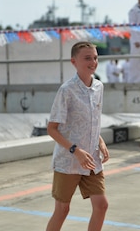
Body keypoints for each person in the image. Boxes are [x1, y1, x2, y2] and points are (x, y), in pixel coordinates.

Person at [46, 41, 109, 231]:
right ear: (74, 61)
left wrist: (100, 141)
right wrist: (76, 150)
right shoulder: (66, 90)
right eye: (87, 58)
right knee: (63, 209)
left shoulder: (99, 87)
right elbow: (52, 128)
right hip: (69, 161)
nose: (93, 62)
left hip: (91, 159)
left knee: (101, 205)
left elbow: (93, 120)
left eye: (96, 58)